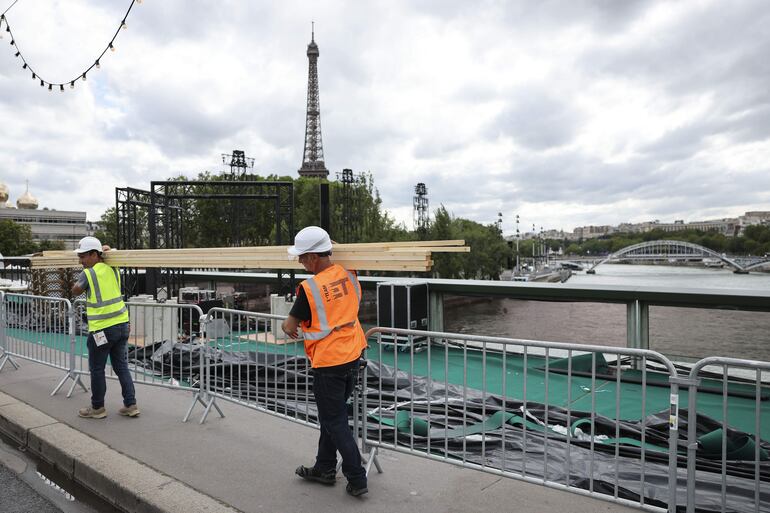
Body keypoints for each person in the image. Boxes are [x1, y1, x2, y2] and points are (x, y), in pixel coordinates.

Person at [281, 226, 368, 497]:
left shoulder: (310, 288)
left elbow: (288, 325)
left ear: (313, 257)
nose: (300, 262)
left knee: (335, 420)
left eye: (302, 257)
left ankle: (357, 477)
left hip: (329, 362)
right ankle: (325, 467)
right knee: (332, 417)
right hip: (353, 354)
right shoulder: (349, 275)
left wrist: (290, 326)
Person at [71, 236, 139, 419]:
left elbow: (75, 290)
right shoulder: (113, 267)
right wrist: (107, 249)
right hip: (122, 325)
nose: (81, 261)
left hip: (102, 330)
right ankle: (131, 405)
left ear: (94, 255)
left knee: (97, 369)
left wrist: (79, 280)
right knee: (122, 367)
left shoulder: (89, 273)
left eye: (83, 256)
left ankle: (98, 408)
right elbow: (113, 251)